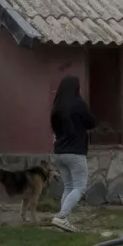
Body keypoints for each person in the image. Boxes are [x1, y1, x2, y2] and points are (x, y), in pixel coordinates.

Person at [49, 75, 97, 233]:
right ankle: (61, 217)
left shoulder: (57, 106)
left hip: (59, 152)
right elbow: (92, 123)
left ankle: (64, 223)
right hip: (75, 152)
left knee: (68, 187)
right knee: (80, 186)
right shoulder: (78, 104)